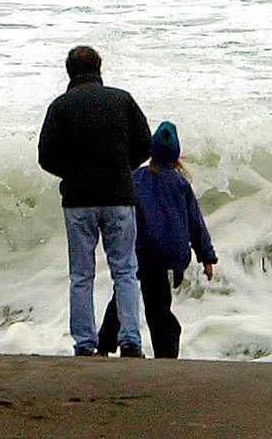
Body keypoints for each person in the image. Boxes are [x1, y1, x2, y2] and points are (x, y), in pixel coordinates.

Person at [38, 45, 152, 358]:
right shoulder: (121, 99)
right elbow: (146, 145)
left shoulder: (60, 106)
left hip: (78, 201)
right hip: (118, 197)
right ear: (100, 68)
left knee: (81, 275)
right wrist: (121, 169)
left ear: (68, 71)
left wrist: (72, 173)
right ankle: (130, 340)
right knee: (125, 270)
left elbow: (45, 157)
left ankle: (85, 344)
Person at [97, 120, 217, 359]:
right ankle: (166, 355)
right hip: (169, 253)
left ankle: (104, 345)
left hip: (141, 251)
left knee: (123, 295)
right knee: (159, 308)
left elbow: (124, 214)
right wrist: (207, 257)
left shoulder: (137, 178)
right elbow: (196, 224)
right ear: (176, 156)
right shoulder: (181, 184)